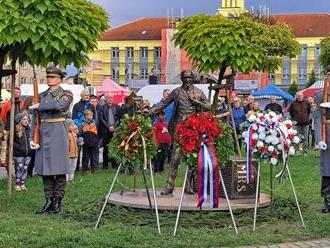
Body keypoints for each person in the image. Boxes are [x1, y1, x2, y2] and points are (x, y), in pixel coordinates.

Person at [151, 70, 211, 195]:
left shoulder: (199, 92)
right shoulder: (176, 92)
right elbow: (163, 103)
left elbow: (208, 106)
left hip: (193, 129)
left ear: (193, 79)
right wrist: (151, 111)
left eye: (189, 78)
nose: (187, 80)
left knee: (191, 158)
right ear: (182, 79)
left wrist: (197, 102)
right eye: (185, 78)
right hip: (179, 128)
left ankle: (188, 185)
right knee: (175, 157)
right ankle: (169, 186)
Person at [32, 66, 73, 214]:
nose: (49, 79)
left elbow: (59, 105)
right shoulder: (42, 95)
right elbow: (35, 119)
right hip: (44, 132)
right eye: (48, 77)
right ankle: (48, 200)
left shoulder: (66, 94)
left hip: (58, 131)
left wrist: (41, 105)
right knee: (45, 168)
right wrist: (33, 138)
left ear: (60, 79)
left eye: (53, 77)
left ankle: (57, 201)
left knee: (59, 168)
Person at [314, 67, 330, 213]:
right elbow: (318, 118)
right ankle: (327, 200)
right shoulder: (320, 96)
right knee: (327, 169)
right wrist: (319, 139)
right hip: (328, 136)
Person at [72, 90, 96, 171]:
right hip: (79, 131)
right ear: (81, 95)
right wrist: (81, 126)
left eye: (88, 95)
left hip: (89, 133)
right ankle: (76, 168)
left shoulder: (91, 106)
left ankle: (87, 168)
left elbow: (95, 119)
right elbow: (74, 118)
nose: (87, 96)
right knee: (77, 150)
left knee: (87, 152)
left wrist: (92, 124)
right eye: (85, 95)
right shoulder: (76, 106)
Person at [98, 93, 120, 169]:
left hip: (115, 130)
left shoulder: (117, 107)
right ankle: (105, 165)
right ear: (105, 98)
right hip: (106, 130)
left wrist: (114, 126)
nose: (110, 99)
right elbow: (101, 119)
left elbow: (119, 118)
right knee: (106, 147)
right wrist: (109, 126)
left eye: (111, 97)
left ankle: (114, 165)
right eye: (108, 97)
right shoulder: (102, 108)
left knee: (114, 147)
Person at [13, 111, 32, 191]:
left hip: (28, 154)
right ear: (20, 120)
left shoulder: (29, 129)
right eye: (24, 119)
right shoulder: (16, 129)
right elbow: (11, 142)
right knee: (19, 169)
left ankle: (23, 183)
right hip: (19, 154)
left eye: (27, 119)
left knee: (25, 169)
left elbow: (31, 139)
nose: (26, 121)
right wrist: (19, 147)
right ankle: (17, 184)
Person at [80, 109, 99, 174]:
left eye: (92, 115)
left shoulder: (95, 123)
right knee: (85, 157)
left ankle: (93, 170)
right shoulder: (82, 124)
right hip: (86, 143)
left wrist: (97, 140)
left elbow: (98, 132)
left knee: (93, 157)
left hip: (94, 143)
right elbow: (80, 133)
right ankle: (84, 170)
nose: (91, 116)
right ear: (85, 116)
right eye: (89, 115)